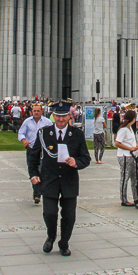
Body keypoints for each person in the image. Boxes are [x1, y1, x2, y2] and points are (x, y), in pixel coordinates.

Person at [29, 101, 91, 256]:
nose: (61, 120)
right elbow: (34, 157)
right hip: (49, 180)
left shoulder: (77, 134)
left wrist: (76, 162)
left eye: (64, 116)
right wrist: (34, 174)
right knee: (49, 213)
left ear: (69, 116)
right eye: (57, 116)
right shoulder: (44, 133)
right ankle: (51, 236)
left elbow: (86, 158)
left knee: (69, 216)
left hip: (69, 180)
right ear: (53, 116)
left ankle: (64, 242)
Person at [19, 103, 54, 204]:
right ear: (31, 112)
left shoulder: (47, 122)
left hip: (43, 150)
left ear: (42, 111)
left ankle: (37, 193)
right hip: (31, 149)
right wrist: (24, 140)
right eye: (34, 111)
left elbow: (52, 134)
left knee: (41, 170)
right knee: (33, 170)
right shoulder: (27, 122)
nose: (36, 113)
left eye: (38, 111)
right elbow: (21, 133)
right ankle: (37, 191)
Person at [115, 110, 138, 206]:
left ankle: (136, 197)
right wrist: (130, 148)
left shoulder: (130, 129)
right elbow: (117, 143)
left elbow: (131, 141)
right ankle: (124, 199)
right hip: (124, 156)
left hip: (132, 155)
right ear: (133, 119)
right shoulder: (123, 130)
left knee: (134, 176)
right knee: (125, 177)